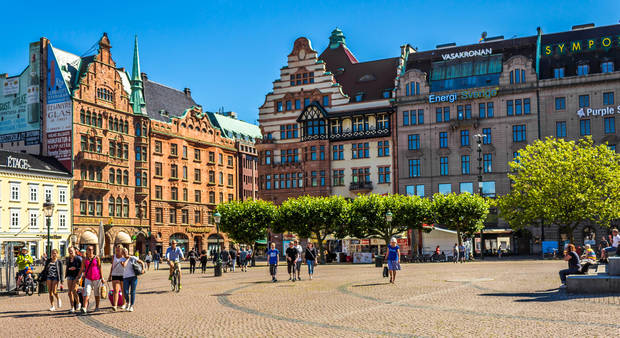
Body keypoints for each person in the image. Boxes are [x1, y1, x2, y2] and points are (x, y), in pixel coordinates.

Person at [77, 245, 104, 314]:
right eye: (89, 249)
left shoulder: (97, 258)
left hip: (96, 278)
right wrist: (78, 277)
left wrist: (102, 277)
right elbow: (82, 268)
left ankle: (97, 307)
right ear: (87, 251)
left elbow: (100, 267)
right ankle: (84, 308)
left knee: (96, 293)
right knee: (87, 292)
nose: (90, 251)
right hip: (88, 278)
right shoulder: (84, 259)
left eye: (91, 249)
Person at [121, 248, 145, 312]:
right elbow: (124, 265)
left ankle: (131, 305)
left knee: (132, 292)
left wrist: (143, 269)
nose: (125, 253)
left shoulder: (133, 257)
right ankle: (127, 303)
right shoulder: (122, 259)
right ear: (122, 253)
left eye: (126, 251)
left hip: (133, 277)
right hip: (125, 277)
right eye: (124, 252)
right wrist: (128, 258)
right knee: (125, 292)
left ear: (128, 251)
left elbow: (141, 262)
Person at [108, 245, 126, 311]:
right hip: (115, 274)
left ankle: (124, 304)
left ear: (121, 250)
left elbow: (124, 266)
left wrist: (122, 261)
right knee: (115, 290)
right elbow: (112, 266)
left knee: (123, 290)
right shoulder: (114, 256)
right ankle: (115, 305)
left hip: (123, 275)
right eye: (116, 250)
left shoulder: (124, 257)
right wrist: (110, 275)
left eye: (118, 250)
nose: (117, 251)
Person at [65, 247, 82, 313]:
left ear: (74, 251)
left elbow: (82, 268)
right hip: (69, 276)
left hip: (76, 276)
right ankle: (72, 307)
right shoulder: (68, 259)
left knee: (74, 290)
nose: (70, 252)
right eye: (69, 251)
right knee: (69, 292)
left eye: (71, 251)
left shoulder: (78, 258)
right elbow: (67, 267)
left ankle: (78, 303)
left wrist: (75, 268)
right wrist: (66, 274)